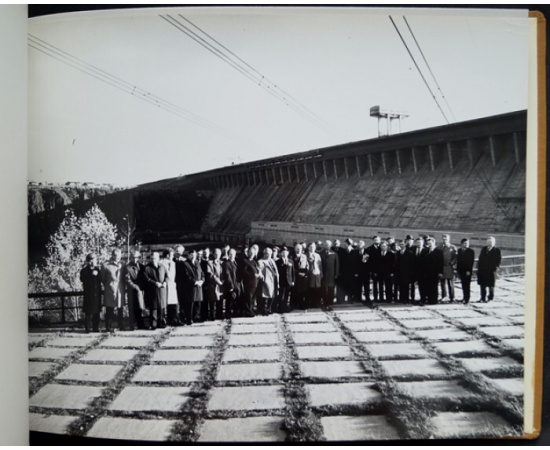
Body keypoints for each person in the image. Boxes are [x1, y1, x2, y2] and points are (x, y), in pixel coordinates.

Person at [121, 250, 146, 330]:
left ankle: (141, 324)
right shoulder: (127, 267)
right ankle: (132, 325)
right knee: (132, 308)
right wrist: (135, 286)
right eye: (133, 257)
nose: (135, 259)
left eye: (136, 257)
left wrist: (142, 287)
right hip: (132, 291)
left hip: (141, 290)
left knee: (141, 307)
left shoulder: (142, 267)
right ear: (130, 257)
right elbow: (127, 280)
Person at [142, 252, 168, 329]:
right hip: (152, 290)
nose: (154, 260)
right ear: (150, 259)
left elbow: (166, 276)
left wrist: (165, 282)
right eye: (152, 258)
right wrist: (155, 283)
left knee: (161, 307)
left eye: (155, 258)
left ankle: (161, 322)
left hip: (162, 290)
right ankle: (153, 324)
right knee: (153, 307)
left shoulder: (162, 266)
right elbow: (146, 279)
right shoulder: (146, 268)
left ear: (158, 258)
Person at [101, 248, 124, 331]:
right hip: (110, 289)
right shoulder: (106, 265)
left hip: (120, 289)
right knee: (110, 308)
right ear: (113, 255)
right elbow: (102, 278)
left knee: (120, 308)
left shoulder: (122, 264)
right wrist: (109, 284)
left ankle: (121, 325)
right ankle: (108, 326)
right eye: (117, 256)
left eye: (119, 256)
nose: (118, 258)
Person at [180, 249, 205, 324]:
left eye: (194, 255)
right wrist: (195, 282)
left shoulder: (197, 262)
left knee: (198, 303)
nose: (193, 256)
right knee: (190, 304)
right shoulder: (185, 264)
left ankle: (196, 317)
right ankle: (189, 319)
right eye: (191, 255)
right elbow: (186, 276)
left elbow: (202, 273)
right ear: (188, 255)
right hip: (190, 287)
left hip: (199, 286)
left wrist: (202, 280)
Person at [80, 253, 102, 333]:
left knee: (97, 312)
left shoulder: (97, 269)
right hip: (89, 294)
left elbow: (100, 280)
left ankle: (96, 327)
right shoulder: (84, 271)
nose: (94, 262)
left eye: (95, 260)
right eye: (92, 260)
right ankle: (88, 328)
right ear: (89, 261)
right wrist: (91, 275)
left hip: (97, 294)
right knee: (88, 312)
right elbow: (83, 280)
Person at [477, 236, 502, 302]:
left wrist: (495, 269)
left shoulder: (497, 250)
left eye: (490, 242)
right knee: (482, 285)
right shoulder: (484, 249)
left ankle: (490, 298)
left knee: (491, 285)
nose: (489, 243)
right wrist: (479, 268)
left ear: (494, 242)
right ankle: (482, 298)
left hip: (491, 271)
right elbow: (480, 259)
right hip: (483, 270)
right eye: (488, 242)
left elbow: (498, 261)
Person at [161, 248, 180, 326]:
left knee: (174, 303)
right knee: (165, 303)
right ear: (167, 255)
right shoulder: (161, 263)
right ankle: (164, 320)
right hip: (165, 284)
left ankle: (174, 320)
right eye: (172, 255)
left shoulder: (173, 263)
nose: (173, 256)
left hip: (172, 284)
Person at [242, 244, 262, 317]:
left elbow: (257, 269)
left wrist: (259, 273)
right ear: (248, 253)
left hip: (255, 282)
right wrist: (253, 275)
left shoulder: (254, 261)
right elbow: (244, 271)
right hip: (248, 282)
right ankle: (248, 311)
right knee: (248, 297)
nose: (251, 254)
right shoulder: (245, 261)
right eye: (250, 253)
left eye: (253, 253)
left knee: (253, 297)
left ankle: (251, 309)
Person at [258, 247, 279, 315]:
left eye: (270, 254)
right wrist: (263, 278)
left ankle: (269, 309)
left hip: (273, 280)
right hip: (266, 280)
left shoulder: (272, 260)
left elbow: (275, 270)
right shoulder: (260, 261)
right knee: (265, 296)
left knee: (272, 296)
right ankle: (264, 310)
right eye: (267, 254)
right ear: (264, 254)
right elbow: (259, 271)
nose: (268, 255)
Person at [205, 248, 223, 320]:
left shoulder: (222, 263)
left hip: (221, 284)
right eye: (215, 254)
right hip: (213, 284)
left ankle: (219, 315)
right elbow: (210, 274)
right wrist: (218, 281)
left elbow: (224, 272)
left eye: (218, 254)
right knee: (212, 300)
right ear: (213, 254)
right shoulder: (209, 263)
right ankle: (212, 316)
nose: (217, 255)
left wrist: (222, 281)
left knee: (220, 300)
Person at [222, 248, 240, 318]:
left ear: (235, 255)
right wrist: (231, 286)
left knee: (236, 299)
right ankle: (228, 314)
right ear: (228, 255)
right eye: (230, 254)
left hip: (236, 284)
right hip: (229, 285)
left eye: (233, 254)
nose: (231, 256)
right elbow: (227, 275)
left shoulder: (236, 263)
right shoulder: (226, 263)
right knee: (229, 300)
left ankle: (235, 313)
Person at [425, 237, 444, 305]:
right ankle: (429, 299)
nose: (429, 245)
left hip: (435, 272)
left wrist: (440, 272)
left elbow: (441, 263)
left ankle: (433, 300)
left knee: (434, 286)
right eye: (428, 243)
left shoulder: (438, 252)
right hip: (427, 272)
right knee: (428, 286)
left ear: (434, 243)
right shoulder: (426, 251)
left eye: (430, 243)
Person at [275, 246, 295, 313]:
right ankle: (280, 308)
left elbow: (293, 272)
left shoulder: (291, 261)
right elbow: (277, 271)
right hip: (281, 281)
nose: (284, 254)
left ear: (288, 253)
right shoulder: (278, 262)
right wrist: (283, 265)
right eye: (283, 252)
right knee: (281, 295)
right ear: (280, 253)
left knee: (287, 295)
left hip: (289, 281)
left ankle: (285, 307)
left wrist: (293, 281)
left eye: (285, 252)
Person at [439, 234, 458, 302]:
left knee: (450, 283)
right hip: (442, 267)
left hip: (449, 267)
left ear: (449, 239)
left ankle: (452, 297)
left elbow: (456, 257)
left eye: (446, 239)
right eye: (443, 239)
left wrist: (452, 263)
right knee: (442, 283)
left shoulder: (452, 247)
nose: (444, 240)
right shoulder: (439, 247)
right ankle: (444, 296)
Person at [320, 240, 339, 308]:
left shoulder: (334, 253)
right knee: (324, 288)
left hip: (331, 274)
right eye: (325, 244)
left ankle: (330, 301)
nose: (326, 245)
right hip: (323, 274)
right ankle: (325, 301)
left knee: (331, 288)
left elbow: (336, 264)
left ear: (330, 245)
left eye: (328, 244)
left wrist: (336, 274)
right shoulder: (321, 253)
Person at [457, 238, 475, 304]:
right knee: (463, 285)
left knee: (467, 285)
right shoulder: (459, 250)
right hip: (461, 270)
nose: (466, 244)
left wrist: (469, 270)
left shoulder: (471, 251)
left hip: (467, 271)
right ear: (462, 244)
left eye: (467, 243)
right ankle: (464, 297)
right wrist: (458, 270)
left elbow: (471, 262)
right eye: (464, 243)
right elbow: (458, 261)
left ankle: (467, 299)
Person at [395, 239, 414, 304]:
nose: (401, 245)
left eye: (402, 244)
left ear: (405, 244)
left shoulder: (409, 253)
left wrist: (411, 273)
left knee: (406, 286)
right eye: (400, 244)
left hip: (407, 273)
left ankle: (406, 299)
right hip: (399, 273)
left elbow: (412, 264)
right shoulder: (398, 252)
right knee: (400, 286)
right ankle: (401, 298)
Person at [306, 242, 323, 308]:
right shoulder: (306, 255)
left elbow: (320, 265)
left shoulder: (318, 255)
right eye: (310, 247)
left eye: (313, 247)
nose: (312, 248)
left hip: (317, 274)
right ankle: (311, 302)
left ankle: (316, 303)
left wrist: (321, 274)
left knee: (317, 289)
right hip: (310, 274)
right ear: (308, 248)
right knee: (311, 288)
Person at [174, 244, 188, 324]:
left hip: (183, 284)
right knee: (174, 302)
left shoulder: (184, 261)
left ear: (182, 252)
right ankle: (175, 318)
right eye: (176, 251)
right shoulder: (172, 260)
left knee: (182, 301)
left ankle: (183, 317)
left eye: (179, 251)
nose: (178, 253)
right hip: (174, 284)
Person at [293, 243, 309, 310]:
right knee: (296, 292)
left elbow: (307, 265)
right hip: (296, 276)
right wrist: (297, 273)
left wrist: (306, 273)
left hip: (303, 277)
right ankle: (295, 305)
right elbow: (292, 268)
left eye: (300, 248)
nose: (298, 249)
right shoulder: (292, 256)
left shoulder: (304, 256)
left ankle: (302, 305)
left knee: (303, 291)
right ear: (295, 249)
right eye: (297, 248)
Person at [412, 237, 427, 304]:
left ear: (423, 242)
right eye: (417, 242)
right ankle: (412, 298)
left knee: (422, 286)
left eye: (420, 242)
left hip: (423, 272)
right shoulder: (413, 249)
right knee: (413, 285)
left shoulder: (426, 250)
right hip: (414, 271)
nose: (419, 243)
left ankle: (423, 299)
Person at [366, 236, 382, 302]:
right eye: (375, 240)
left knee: (381, 284)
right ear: (373, 241)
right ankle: (375, 298)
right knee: (375, 284)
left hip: (381, 270)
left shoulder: (382, 248)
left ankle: (381, 298)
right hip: (373, 270)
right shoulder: (369, 249)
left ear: (380, 240)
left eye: (378, 240)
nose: (376, 241)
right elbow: (368, 261)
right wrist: (371, 270)